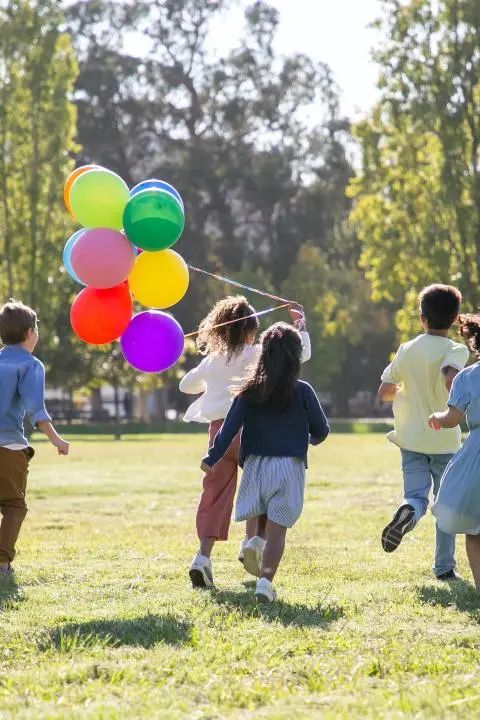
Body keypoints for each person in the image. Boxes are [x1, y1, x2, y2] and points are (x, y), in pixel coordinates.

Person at [180, 296, 311, 588]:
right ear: (252, 330)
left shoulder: (212, 361)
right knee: (263, 490)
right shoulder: (257, 354)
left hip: (218, 435)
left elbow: (185, 385)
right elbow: (299, 355)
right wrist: (300, 326)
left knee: (213, 495)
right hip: (251, 432)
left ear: (219, 330)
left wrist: (210, 376)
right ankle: (252, 543)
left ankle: (202, 558)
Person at [201, 322, 329, 602]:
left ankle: (254, 541)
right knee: (278, 530)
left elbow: (228, 429)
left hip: (256, 465)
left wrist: (212, 456)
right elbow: (322, 430)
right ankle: (265, 583)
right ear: (296, 357)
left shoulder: (249, 392)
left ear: (264, 354)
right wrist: (308, 439)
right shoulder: (303, 391)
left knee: (261, 510)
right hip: (289, 467)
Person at [377, 284, 469, 579]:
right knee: (445, 506)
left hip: (410, 438)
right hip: (443, 438)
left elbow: (385, 391)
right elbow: (450, 377)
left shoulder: (407, 349)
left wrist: (408, 391)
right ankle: (444, 568)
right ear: (455, 319)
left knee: (416, 496)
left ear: (421, 318)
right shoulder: (456, 349)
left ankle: (408, 512)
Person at [0, 300, 70, 576]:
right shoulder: (30, 366)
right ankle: (2, 563)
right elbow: (36, 411)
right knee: (14, 506)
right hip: (9, 446)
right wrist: (57, 440)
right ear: (31, 333)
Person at [429, 314, 480, 589]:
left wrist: (435, 417)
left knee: (475, 529)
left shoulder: (467, 378)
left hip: (476, 455)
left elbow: (452, 419)